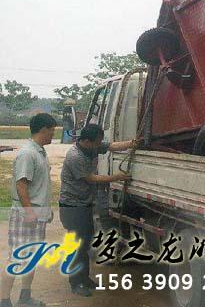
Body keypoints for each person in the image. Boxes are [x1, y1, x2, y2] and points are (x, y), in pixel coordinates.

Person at [58, 124, 132, 297]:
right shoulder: (75, 156)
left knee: (85, 243)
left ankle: (84, 278)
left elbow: (112, 146)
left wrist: (132, 143)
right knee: (77, 246)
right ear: (86, 141)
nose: (100, 145)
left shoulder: (92, 146)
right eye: (97, 142)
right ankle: (76, 282)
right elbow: (92, 179)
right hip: (72, 207)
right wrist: (117, 177)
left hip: (84, 204)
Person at [1, 113, 57, 307]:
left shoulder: (40, 152)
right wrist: (30, 212)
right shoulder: (28, 153)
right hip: (26, 215)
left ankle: (25, 296)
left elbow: (40, 186)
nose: (53, 134)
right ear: (43, 129)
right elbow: (21, 184)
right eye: (52, 130)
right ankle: (4, 300)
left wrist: (45, 211)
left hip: (37, 214)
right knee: (16, 257)